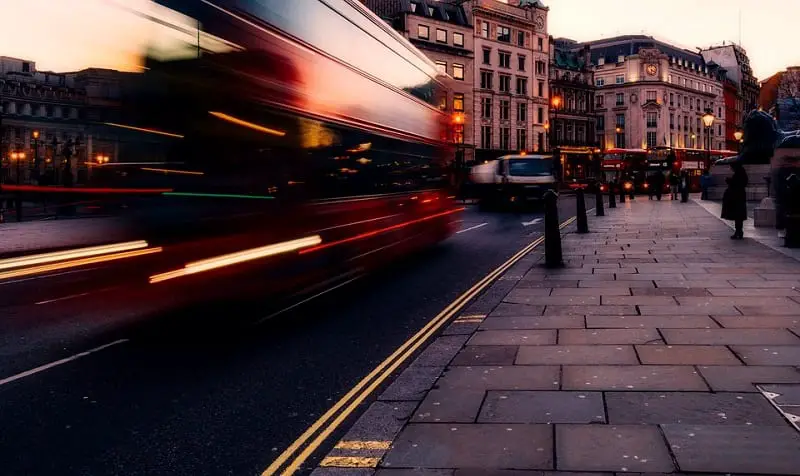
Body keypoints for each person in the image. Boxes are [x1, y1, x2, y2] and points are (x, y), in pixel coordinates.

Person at [721, 162, 748, 239]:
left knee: (737, 215)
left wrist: (728, 180)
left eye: (731, 167)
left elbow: (736, 184)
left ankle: (738, 231)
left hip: (736, 198)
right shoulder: (741, 173)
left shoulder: (738, 174)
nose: (731, 169)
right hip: (739, 197)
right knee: (738, 216)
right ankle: (739, 231)